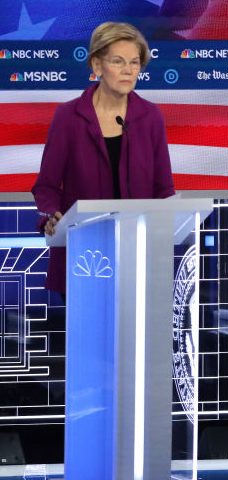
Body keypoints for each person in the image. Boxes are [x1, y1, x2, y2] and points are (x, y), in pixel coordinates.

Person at [33, 22, 174, 294]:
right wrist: (52, 216)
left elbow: (164, 188)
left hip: (137, 253)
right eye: (118, 61)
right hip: (84, 254)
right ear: (97, 66)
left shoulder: (150, 117)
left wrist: (164, 226)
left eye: (135, 62)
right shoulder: (69, 117)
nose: (129, 70)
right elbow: (46, 186)